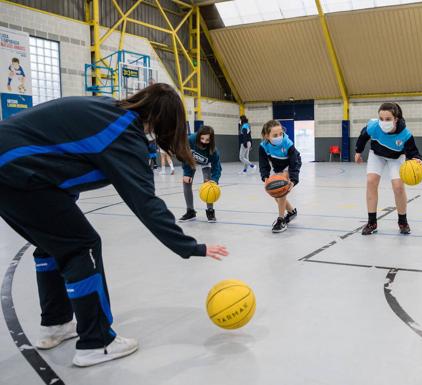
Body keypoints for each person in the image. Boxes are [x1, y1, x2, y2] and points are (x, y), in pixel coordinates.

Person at [0, 83, 228, 367]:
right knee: (81, 246)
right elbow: (146, 205)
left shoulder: (107, 110)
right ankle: (97, 342)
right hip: (18, 168)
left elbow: (60, 157)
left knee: (51, 246)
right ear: (165, 120)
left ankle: (56, 324)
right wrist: (192, 247)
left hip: (13, 168)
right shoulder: (122, 133)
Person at [354, 102, 422, 235]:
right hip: (376, 155)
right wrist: (358, 151)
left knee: (398, 187)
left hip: (396, 157)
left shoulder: (405, 134)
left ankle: (402, 222)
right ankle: (372, 222)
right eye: (381, 119)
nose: (383, 122)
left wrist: (417, 160)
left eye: (388, 119)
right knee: (371, 182)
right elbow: (363, 137)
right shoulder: (374, 126)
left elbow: (413, 152)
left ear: (395, 119)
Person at [258, 120, 301, 233]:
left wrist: (293, 179)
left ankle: (281, 219)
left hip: (292, 163)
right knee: (275, 192)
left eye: (281, 134)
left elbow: (294, 163)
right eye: (275, 135)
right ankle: (291, 212)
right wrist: (265, 177)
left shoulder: (287, 143)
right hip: (278, 167)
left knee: (281, 185)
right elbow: (263, 164)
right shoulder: (263, 146)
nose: (279, 137)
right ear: (267, 136)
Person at [178, 125, 222, 223]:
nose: (204, 142)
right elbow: (185, 156)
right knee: (186, 181)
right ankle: (190, 212)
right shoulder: (190, 140)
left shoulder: (213, 151)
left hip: (206, 162)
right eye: (202, 138)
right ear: (198, 136)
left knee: (209, 184)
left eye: (207, 140)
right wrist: (186, 173)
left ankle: (210, 211)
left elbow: (217, 168)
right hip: (191, 160)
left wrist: (214, 180)